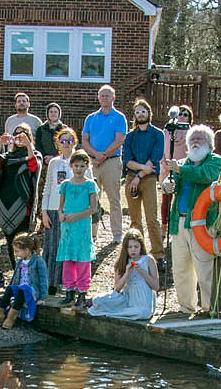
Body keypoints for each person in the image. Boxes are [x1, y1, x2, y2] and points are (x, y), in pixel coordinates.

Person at [163, 125, 221, 316]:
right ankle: (185, 306)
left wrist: (180, 169)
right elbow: (170, 181)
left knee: (204, 267)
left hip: (203, 223)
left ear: (210, 144)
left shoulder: (215, 162)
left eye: (200, 139)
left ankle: (208, 308)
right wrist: (168, 185)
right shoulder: (183, 162)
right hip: (179, 222)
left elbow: (205, 176)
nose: (195, 142)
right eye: (192, 140)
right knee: (181, 268)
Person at [36, 127, 87, 296]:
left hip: (71, 212)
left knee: (66, 248)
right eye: (63, 141)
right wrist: (44, 212)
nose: (66, 144)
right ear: (58, 143)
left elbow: (90, 186)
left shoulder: (81, 162)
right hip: (52, 208)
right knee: (51, 247)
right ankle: (49, 282)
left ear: (75, 142)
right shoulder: (54, 163)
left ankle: (67, 283)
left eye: (69, 140)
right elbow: (48, 188)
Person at [81, 84, 128, 243]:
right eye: (102, 96)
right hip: (92, 163)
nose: (104, 98)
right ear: (98, 98)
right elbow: (85, 140)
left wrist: (103, 155)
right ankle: (92, 235)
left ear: (113, 98)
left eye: (107, 96)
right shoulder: (91, 118)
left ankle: (117, 234)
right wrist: (94, 156)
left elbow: (119, 140)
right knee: (92, 199)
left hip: (112, 162)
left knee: (114, 199)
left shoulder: (119, 117)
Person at [0, 123, 42, 267]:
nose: (19, 137)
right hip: (5, 204)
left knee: (24, 242)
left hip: (23, 206)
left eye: (23, 134)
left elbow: (33, 166)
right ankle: (16, 272)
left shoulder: (34, 155)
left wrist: (28, 146)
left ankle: (28, 273)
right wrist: (0, 143)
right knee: (11, 243)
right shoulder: (7, 157)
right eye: (17, 134)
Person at [122, 98, 165, 262]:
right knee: (135, 219)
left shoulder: (157, 134)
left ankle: (159, 255)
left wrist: (140, 175)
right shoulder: (130, 136)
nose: (140, 115)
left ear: (149, 113)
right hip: (132, 177)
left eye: (143, 111)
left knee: (151, 218)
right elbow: (127, 160)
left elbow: (155, 158)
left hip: (148, 178)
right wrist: (140, 171)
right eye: (138, 112)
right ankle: (136, 253)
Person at [56, 150, 98, 308]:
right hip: (67, 226)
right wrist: (61, 214)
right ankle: (69, 291)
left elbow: (93, 208)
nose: (79, 169)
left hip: (81, 226)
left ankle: (82, 292)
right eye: (76, 166)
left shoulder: (90, 184)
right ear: (71, 166)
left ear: (87, 166)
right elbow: (60, 206)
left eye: (82, 166)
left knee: (82, 259)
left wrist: (77, 216)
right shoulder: (65, 184)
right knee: (68, 259)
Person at [88, 228, 159, 320]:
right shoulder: (123, 261)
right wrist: (127, 274)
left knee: (143, 313)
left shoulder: (148, 260)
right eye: (130, 247)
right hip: (127, 297)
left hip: (144, 299)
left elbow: (156, 286)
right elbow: (117, 288)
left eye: (136, 247)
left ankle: (121, 313)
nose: (133, 250)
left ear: (141, 246)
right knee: (99, 301)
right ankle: (92, 302)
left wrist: (142, 272)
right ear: (126, 248)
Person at [0, 233, 47, 329]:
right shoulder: (20, 262)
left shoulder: (38, 261)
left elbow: (43, 280)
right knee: (11, 288)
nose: (16, 253)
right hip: (20, 287)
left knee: (24, 289)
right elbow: (15, 277)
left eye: (17, 251)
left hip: (32, 291)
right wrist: (10, 289)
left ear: (27, 250)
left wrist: (42, 298)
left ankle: (11, 317)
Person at [160, 104, 192, 231]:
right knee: (166, 198)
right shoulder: (167, 130)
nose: (182, 116)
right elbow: (161, 149)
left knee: (181, 198)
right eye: (180, 113)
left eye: (186, 114)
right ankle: (164, 225)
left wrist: (180, 168)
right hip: (166, 168)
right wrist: (165, 164)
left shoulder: (192, 132)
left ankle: (178, 227)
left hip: (183, 170)